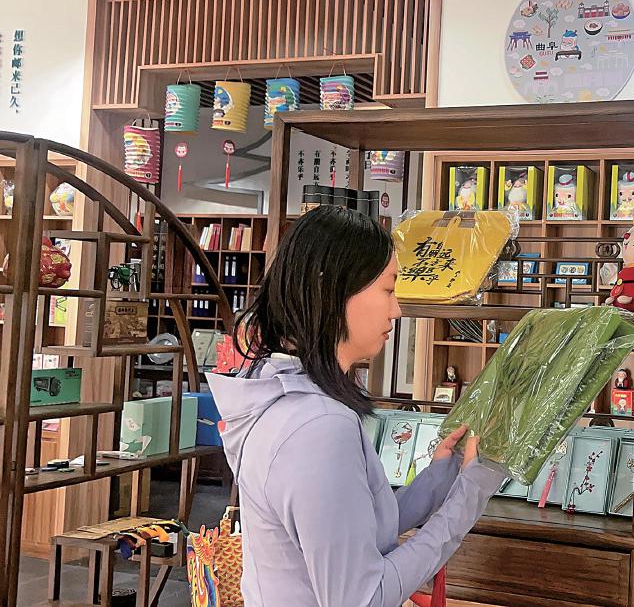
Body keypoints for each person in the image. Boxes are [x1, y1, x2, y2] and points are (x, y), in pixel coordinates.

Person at [208, 206, 504, 606]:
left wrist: (439, 479)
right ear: (333, 288)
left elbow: (352, 529)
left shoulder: (284, 396)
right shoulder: (317, 428)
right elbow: (363, 598)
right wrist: (469, 497)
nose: (397, 309)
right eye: (388, 289)